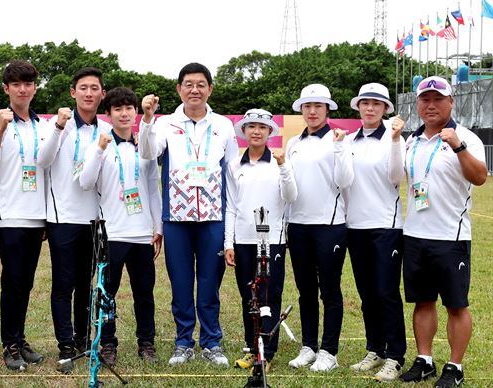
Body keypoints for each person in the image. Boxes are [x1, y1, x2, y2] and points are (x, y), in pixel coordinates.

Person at [140, 63, 239, 366]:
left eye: (200, 84)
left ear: (210, 88)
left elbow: (233, 174)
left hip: (213, 217)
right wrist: (146, 119)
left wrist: (231, 230)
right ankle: (183, 342)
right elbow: (147, 153)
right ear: (179, 89)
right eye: (188, 84)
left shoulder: (223, 125)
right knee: (181, 283)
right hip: (177, 218)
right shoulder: (165, 123)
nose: (194, 89)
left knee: (209, 284)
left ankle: (211, 343)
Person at [399, 76, 487, 387]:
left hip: (451, 237)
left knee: (456, 304)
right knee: (422, 301)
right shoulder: (412, 140)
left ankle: (454, 366)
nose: (431, 105)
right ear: (418, 105)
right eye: (425, 100)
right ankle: (424, 360)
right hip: (415, 234)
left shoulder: (467, 138)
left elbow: (480, 178)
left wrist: (459, 146)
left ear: (451, 102)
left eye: (438, 99)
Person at [0, 60, 59, 371]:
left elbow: (48, 168)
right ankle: (9, 344)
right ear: (6, 89)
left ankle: (20, 337)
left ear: (35, 88)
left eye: (28, 84)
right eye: (16, 84)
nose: (23, 89)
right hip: (9, 215)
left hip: (36, 216)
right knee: (12, 280)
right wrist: (0, 128)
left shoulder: (43, 125)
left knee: (25, 282)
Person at [79, 87, 162, 365]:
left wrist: (158, 226)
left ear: (136, 112)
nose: (124, 113)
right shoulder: (99, 146)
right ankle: (108, 343)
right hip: (111, 233)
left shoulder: (145, 147)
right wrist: (100, 150)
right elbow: (86, 182)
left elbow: (153, 189)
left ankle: (146, 343)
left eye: (129, 108)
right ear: (109, 114)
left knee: (144, 293)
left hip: (141, 234)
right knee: (107, 293)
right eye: (118, 109)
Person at [40, 67, 109, 372]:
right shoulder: (58, 125)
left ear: (102, 94)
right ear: (73, 92)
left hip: (93, 220)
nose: (89, 93)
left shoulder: (105, 130)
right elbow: (42, 161)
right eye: (83, 88)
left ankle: (82, 339)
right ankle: (65, 345)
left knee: (86, 284)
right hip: (63, 218)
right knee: (63, 284)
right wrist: (57, 127)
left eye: (95, 88)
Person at [285, 83, 353, 372]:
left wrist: (338, 147)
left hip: (329, 225)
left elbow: (345, 180)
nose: (312, 111)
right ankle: (309, 346)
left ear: (327, 109)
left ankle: (329, 351)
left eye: (318, 106)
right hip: (297, 225)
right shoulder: (293, 143)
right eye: (307, 106)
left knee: (330, 290)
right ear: (302, 109)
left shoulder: (340, 140)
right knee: (305, 290)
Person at [224, 109, 297, 372]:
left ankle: (267, 351)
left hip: (271, 240)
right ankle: (252, 348)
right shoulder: (234, 165)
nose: (256, 131)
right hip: (242, 240)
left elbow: (290, 195)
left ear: (269, 132)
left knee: (269, 296)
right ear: (244, 131)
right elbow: (231, 206)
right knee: (249, 296)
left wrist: (283, 167)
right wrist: (228, 243)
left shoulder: (279, 161)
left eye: (262, 127)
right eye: (251, 126)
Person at [344, 83, 407, 381]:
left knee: (386, 292)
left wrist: (395, 140)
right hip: (355, 226)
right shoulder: (350, 140)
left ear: (385, 109)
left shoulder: (394, 138)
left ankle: (395, 355)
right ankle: (375, 348)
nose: (370, 108)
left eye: (376, 104)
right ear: (358, 107)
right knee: (367, 293)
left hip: (386, 226)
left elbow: (396, 177)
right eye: (365, 103)